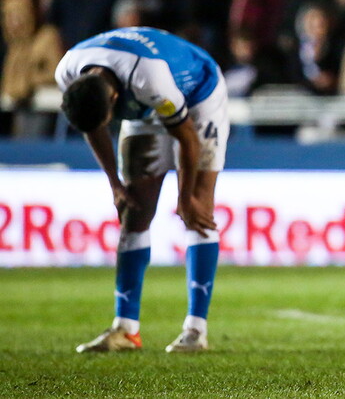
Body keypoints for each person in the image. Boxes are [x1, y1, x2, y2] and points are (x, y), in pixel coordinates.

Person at [55, 27, 228, 354]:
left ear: (113, 100)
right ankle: (126, 330)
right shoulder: (68, 70)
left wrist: (184, 197)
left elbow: (187, 138)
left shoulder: (150, 77)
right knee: (133, 209)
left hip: (197, 95)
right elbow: (93, 127)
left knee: (198, 211)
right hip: (144, 104)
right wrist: (115, 184)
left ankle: (195, 329)